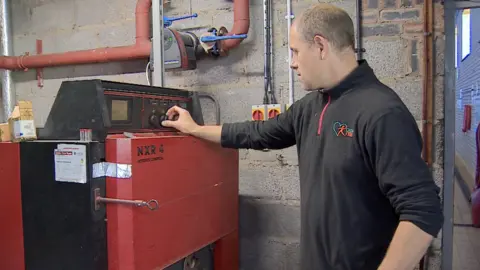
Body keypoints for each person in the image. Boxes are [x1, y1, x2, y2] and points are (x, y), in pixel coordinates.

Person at [162, 3, 444, 270]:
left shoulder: (381, 112)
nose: (293, 63)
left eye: (296, 51)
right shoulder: (312, 106)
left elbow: (423, 211)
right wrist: (194, 129)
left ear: (321, 46)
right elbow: (256, 132)